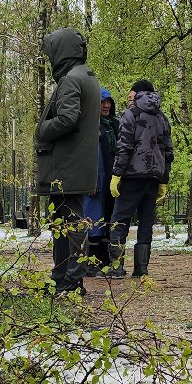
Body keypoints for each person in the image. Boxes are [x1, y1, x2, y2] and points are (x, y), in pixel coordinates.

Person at [35, 28, 102, 293]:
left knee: (70, 224)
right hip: (73, 165)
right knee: (63, 224)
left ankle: (71, 280)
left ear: (60, 52)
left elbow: (66, 119)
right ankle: (61, 278)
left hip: (67, 167)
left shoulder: (72, 80)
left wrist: (42, 129)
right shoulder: (85, 76)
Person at [107, 79, 173, 279]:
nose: (129, 96)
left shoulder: (131, 114)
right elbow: (168, 152)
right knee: (146, 222)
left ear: (137, 94)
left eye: (131, 93)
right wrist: (164, 180)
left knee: (119, 219)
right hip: (153, 178)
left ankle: (117, 267)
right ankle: (141, 268)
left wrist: (117, 174)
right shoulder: (162, 118)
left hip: (132, 176)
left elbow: (124, 147)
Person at [82, 89, 117, 273]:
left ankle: (104, 261)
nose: (106, 105)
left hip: (109, 183)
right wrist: (90, 180)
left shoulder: (112, 125)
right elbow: (87, 156)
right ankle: (91, 263)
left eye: (109, 102)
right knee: (93, 222)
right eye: (103, 102)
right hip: (95, 181)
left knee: (106, 222)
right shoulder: (89, 127)